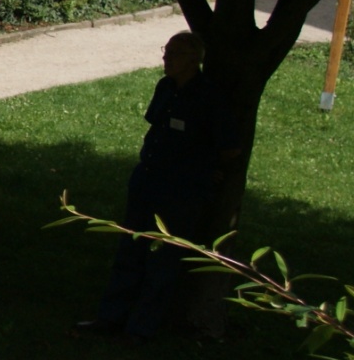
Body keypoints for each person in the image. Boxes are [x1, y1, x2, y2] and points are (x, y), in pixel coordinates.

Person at [77, 33, 240, 341]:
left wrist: (206, 169)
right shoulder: (165, 87)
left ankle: (141, 329)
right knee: (129, 247)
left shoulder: (209, 98)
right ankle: (110, 318)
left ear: (194, 59)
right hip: (148, 179)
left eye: (174, 53)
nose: (166, 58)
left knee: (163, 259)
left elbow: (230, 147)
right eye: (166, 51)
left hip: (181, 190)